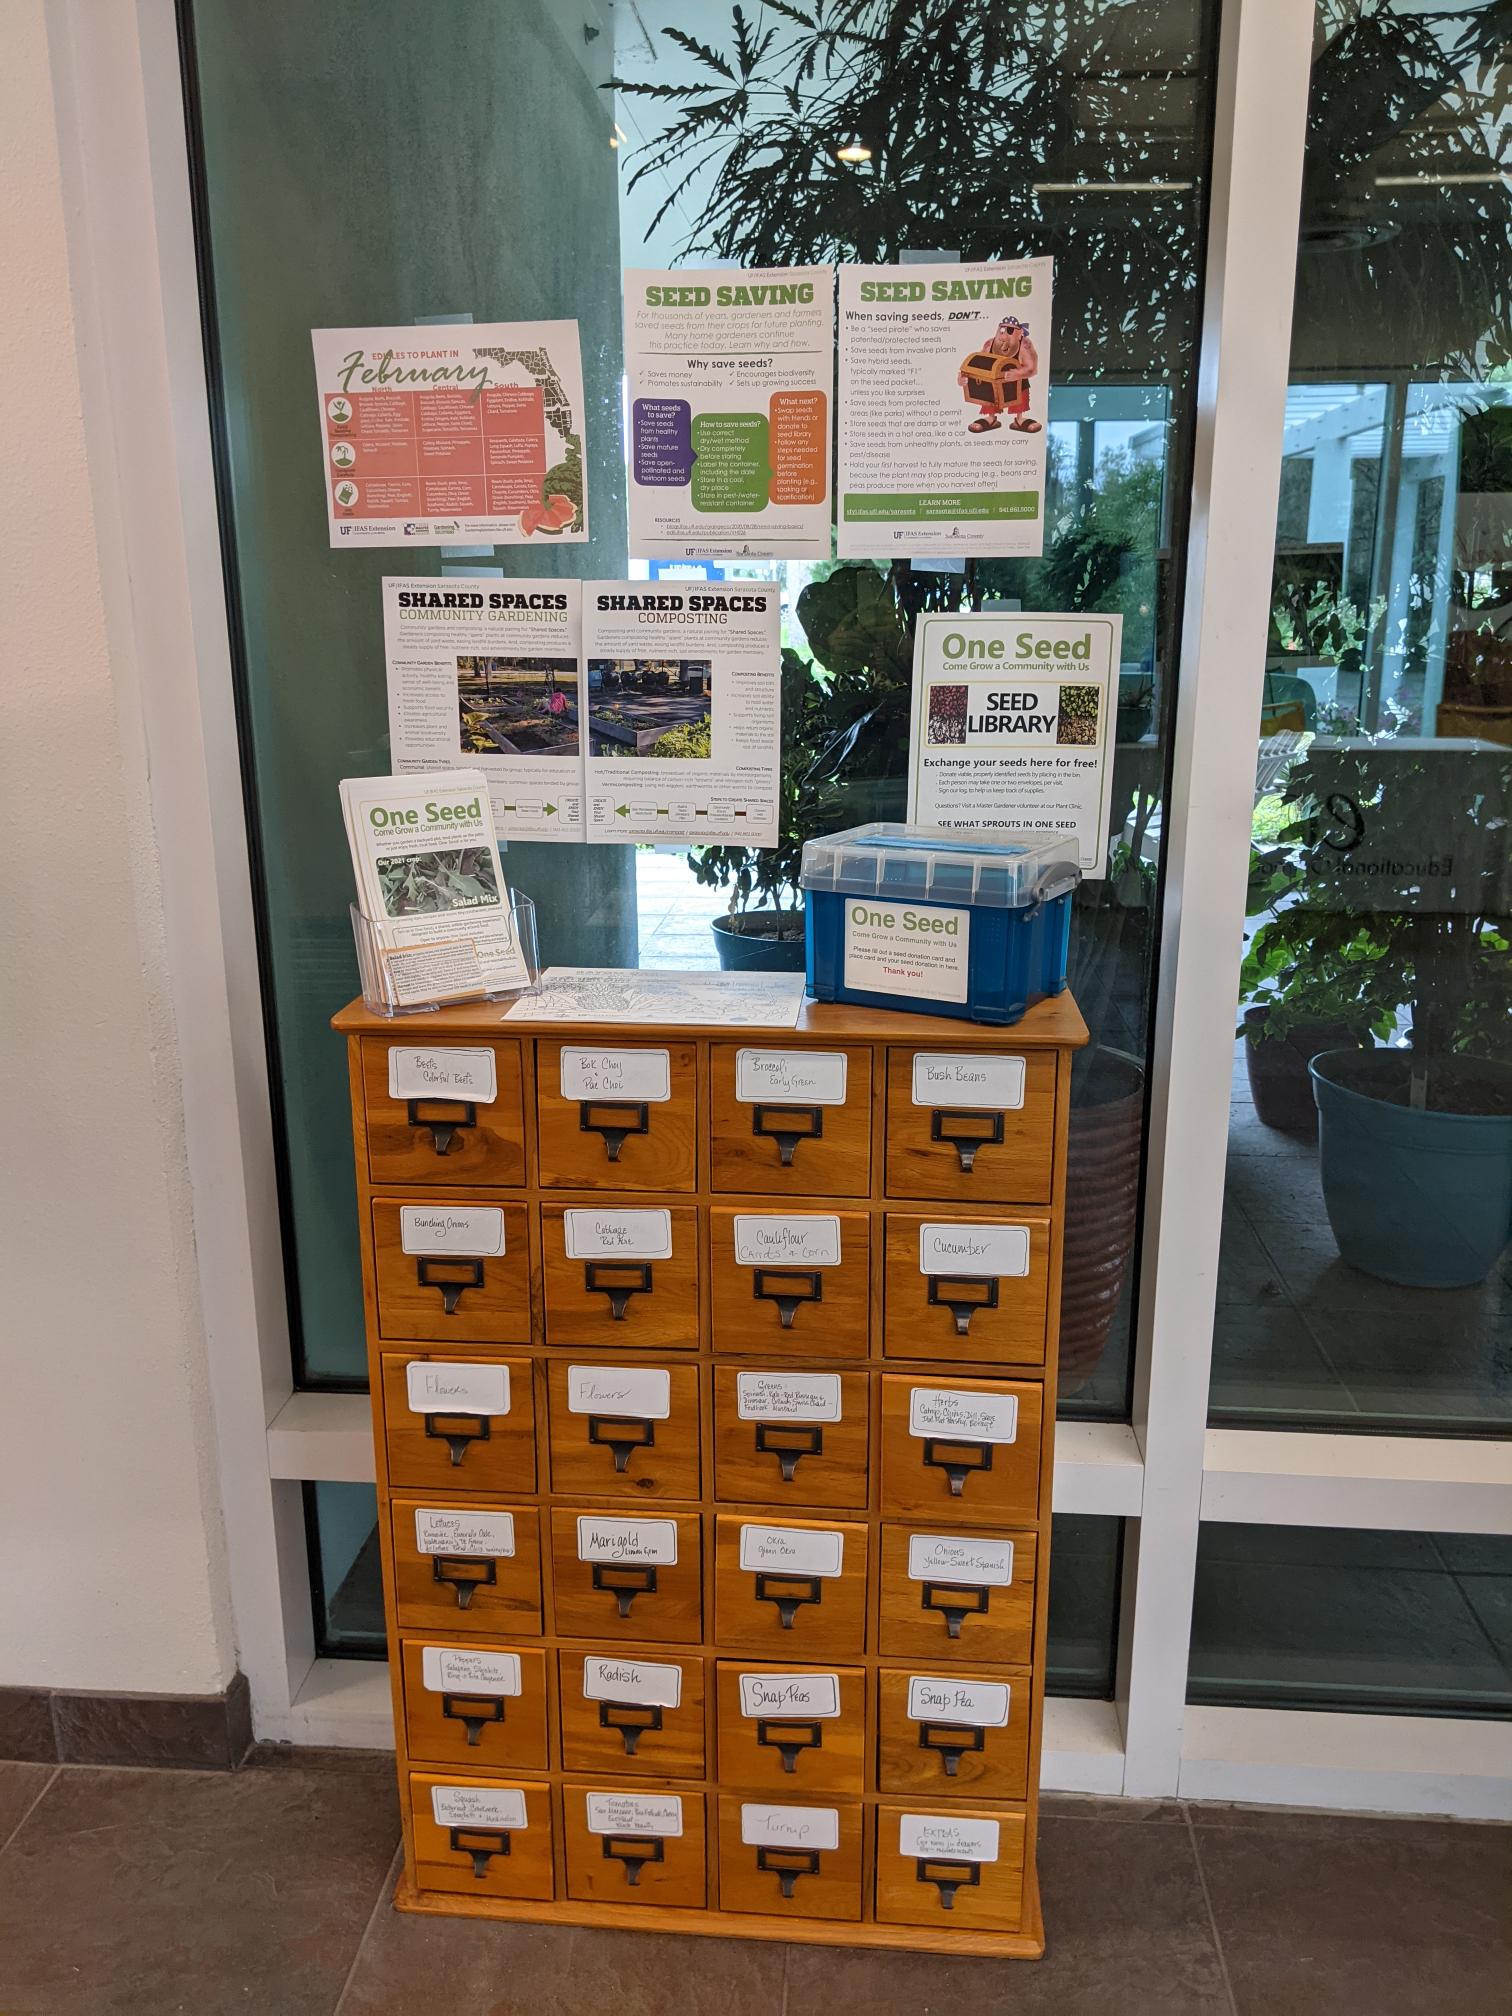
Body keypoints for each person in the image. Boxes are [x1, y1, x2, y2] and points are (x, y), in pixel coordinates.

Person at [962, 316, 1041, 435]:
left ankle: (1020, 418)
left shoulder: (1024, 344)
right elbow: (980, 363)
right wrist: (965, 377)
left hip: (1017, 382)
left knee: (1020, 390)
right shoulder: (990, 344)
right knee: (988, 387)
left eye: (1010, 331)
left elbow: (1032, 368)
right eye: (1002, 331)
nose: (1004, 336)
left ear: (1019, 333)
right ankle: (991, 418)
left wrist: (1018, 374)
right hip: (993, 382)